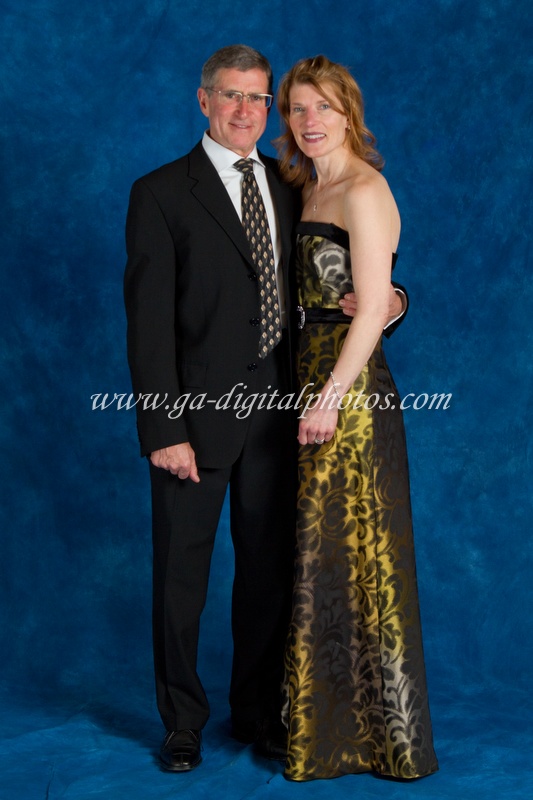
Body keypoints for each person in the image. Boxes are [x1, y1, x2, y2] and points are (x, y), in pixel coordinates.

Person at [124, 44, 405, 774]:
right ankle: (182, 723)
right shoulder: (160, 193)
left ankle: (255, 712)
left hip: (284, 420)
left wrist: (393, 302)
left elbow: (344, 275)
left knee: (268, 577)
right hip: (194, 423)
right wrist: (164, 430)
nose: (246, 110)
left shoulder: (293, 183)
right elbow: (147, 326)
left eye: (258, 98)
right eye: (231, 95)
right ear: (204, 100)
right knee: (179, 581)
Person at [275, 55, 439, 781]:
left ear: (349, 114)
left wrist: (329, 398)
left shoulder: (365, 189)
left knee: (355, 557)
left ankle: (371, 741)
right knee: (322, 557)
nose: (310, 121)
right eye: (297, 108)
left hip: (346, 396)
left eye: (324, 107)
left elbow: (371, 308)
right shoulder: (307, 187)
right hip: (305, 381)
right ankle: (320, 726)